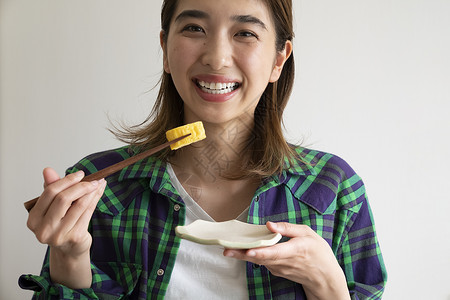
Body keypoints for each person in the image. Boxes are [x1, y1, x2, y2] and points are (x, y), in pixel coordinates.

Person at [19, 0, 387, 299]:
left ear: (279, 59)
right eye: (194, 28)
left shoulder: (334, 189)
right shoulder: (102, 187)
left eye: (245, 33)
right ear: (165, 49)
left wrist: (328, 285)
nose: (217, 57)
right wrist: (70, 256)